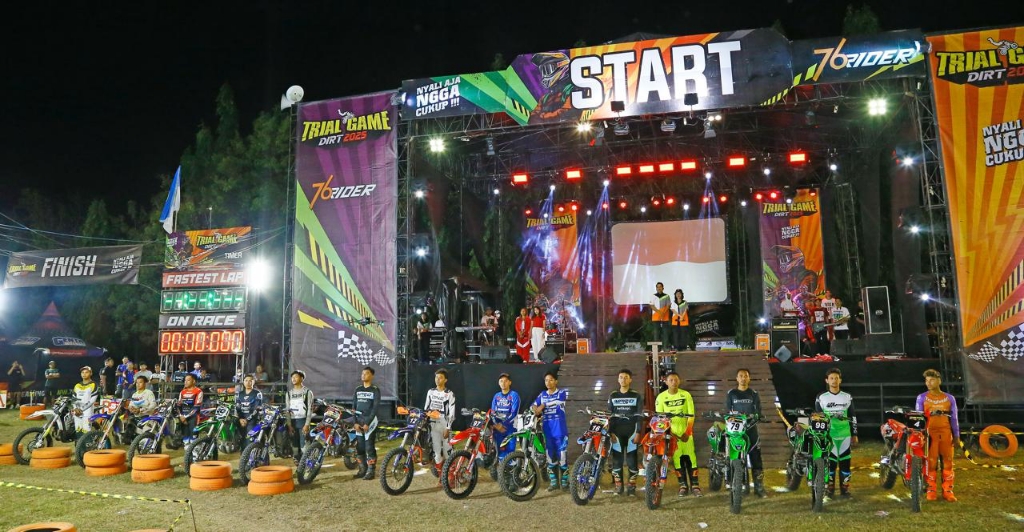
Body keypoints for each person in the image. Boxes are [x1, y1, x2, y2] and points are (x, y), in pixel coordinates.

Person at [916, 369, 960, 502]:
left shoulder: (949, 398)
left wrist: (956, 436)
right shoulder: (921, 397)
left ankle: (948, 491)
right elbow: (918, 418)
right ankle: (931, 490)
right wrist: (920, 435)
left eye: (932, 380)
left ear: (939, 381)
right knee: (931, 462)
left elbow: (954, 418)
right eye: (926, 380)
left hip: (946, 433)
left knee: (948, 462)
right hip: (930, 434)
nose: (928, 383)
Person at [656, 371, 701, 497]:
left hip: (686, 433)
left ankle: (695, 486)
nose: (673, 382)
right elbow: (660, 418)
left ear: (679, 381)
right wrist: (669, 434)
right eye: (670, 380)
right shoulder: (661, 397)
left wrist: (687, 432)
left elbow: (691, 415)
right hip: (671, 434)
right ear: (666, 382)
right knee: (677, 459)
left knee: (691, 458)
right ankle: (683, 486)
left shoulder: (686, 395)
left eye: (676, 379)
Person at [814, 367, 858, 498]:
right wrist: (820, 436)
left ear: (840, 380)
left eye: (836, 378)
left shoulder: (847, 397)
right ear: (827, 380)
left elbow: (853, 416)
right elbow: (818, 417)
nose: (834, 380)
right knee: (831, 464)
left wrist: (854, 434)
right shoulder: (821, 397)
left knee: (845, 464)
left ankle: (845, 491)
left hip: (845, 435)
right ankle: (830, 491)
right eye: (831, 378)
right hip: (829, 436)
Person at [726, 368, 766, 498]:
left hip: (751, 429)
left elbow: (758, 411)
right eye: (741, 376)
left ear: (749, 378)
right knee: (737, 457)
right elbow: (727, 411)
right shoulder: (731, 393)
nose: (743, 378)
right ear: (737, 378)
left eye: (746, 376)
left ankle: (759, 487)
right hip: (736, 431)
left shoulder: (753, 394)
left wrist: (757, 416)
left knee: (756, 458)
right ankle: (742, 485)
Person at [608, 369, 643, 496]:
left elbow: (639, 415)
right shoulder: (613, 395)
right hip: (616, 432)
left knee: (631, 460)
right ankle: (619, 487)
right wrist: (610, 432)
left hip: (631, 432)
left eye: (626, 377)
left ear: (630, 380)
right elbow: (610, 415)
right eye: (621, 377)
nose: (623, 379)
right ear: (618, 379)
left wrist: (638, 432)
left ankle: (631, 488)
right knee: (617, 461)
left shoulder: (636, 395)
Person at [532, 371, 569, 491]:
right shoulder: (542, 394)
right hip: (547, 431)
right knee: (550, 456)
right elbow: (534, 405)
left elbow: (558, 402)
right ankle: (554, 482)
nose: (548, 382)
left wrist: (542, 406)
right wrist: (536, 409)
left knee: (562, 456)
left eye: (551, 380)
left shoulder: (561, 393)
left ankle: (565, 482)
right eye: (546, 380)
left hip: (560, 430)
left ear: (556, 381)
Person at [424, 368, 455, 478]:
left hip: (444, 424)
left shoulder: (449, 394)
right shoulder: (430, 392)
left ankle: (452, 477)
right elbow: (426, 408)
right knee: (436, 453)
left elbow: (452, 413)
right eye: (436, 377)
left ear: (445, 380)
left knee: (448, 452)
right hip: (433, 425)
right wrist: (426, 417)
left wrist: (448, 427)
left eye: (440, 377)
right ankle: (442, 477)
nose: (437, 379)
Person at [353, 367, 381, 480]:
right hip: (359, 422)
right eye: (362, 373)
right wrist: (355, 422)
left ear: (372, 376)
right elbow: (354, 407)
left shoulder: (375, 390)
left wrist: (368, 423)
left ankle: (371, 471)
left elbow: (375, 408)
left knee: (369, 447)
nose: (363, 375)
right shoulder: (358, 389)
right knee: (360, 447)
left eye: (366, 373)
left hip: (370, 421)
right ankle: (362, 469)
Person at [491, 373, 520, 462]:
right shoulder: (496, 396)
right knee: (500, 453)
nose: (503, 383)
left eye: (506, 381)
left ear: (510, 382)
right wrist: (496, 425)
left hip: (510, 428)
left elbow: (514, 413)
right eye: (501, 381)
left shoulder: (514, 395)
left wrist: (503, 424)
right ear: (498, 383)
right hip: (498, 429)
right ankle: (501, 469)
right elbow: (492, 412)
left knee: (510, 453)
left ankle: (512, 468)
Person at [286, 370, 314, 465]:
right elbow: (287, 410)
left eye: (296, 377)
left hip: (303, 421)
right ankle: (297, 461)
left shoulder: (307, 392)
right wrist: (289, 424)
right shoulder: (289, 393)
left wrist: (307, 424)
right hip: (293, 422)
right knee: (294, 445)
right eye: (292, 377)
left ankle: (307, 464)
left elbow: (310, 409)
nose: (293, 379)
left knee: (304, 445)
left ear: (301, 378)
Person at [177, 374, 204, 444]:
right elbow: (179, 406)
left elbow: (196, 407)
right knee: (185, 441)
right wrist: (181, 416)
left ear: (194, 381)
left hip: (194, 418)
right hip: (183, 418)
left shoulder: (199, 391)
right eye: (185, 380)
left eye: (188, 380)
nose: (185, 382)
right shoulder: (182, 392)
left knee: (193, 440)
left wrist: (185, 417)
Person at [72, 366, 98, 433]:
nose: (84, 374)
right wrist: (75, 408)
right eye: (82, 372)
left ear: (91, 373)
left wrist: (81, 409)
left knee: (86, 432)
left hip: (87, 412)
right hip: (77, 412)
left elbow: (92, 401)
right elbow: (73, 399)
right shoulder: (77, 385)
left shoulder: (94, 384)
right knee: (78, 431)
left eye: (86, 372)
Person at [650, 282, 672, 350]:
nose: (659, 288)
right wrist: (658, 311)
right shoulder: (653, 296)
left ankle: (665, 347)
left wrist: (663, 313)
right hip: (656, 318)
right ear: (656, 288)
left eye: (660, 287)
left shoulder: (666, 296)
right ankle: (657, 349)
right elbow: (651, 305)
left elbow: (668, 305)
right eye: (658, 287)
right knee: (656, 334)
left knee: (665, 333)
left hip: (665, 318)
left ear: (663, 288)